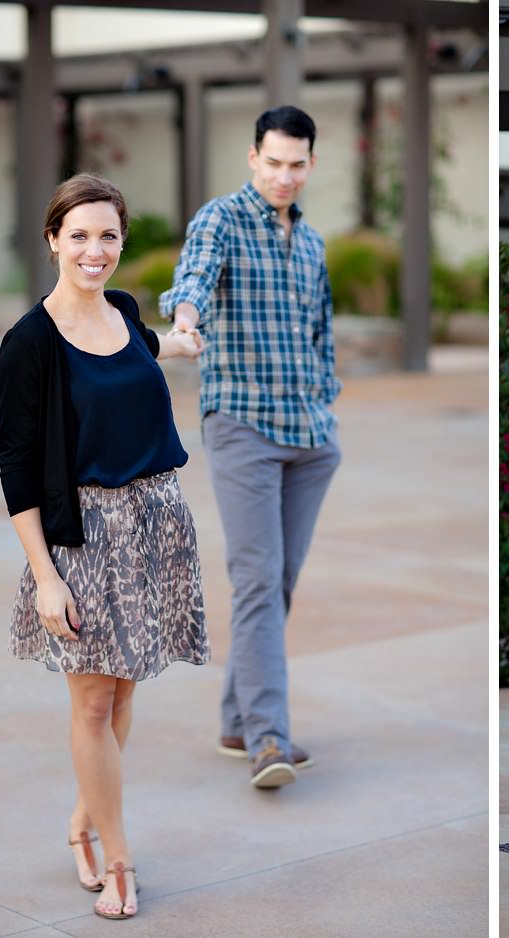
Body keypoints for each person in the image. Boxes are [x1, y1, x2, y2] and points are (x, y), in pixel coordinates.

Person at [0, 174, 207, 920]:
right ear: (53, 238)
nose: (95, 250)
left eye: (108, 236)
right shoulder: (29, 343)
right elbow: (16, 468)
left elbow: (141, 352)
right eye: (79, 235)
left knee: (122, 691)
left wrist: (178, 344)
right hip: (82, 538)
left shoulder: (122, 310)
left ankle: (84, 822)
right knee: (91, 703)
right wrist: (45, 576)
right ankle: (119, 861)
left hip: (153, 524)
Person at [160, 104, 341, 790]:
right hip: (243, 426)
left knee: (276, 583)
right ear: (252, 157)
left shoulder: (314, 242)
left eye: (297, 165)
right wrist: (184, 318)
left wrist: (327, 395)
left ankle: (237, 719)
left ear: (311, 165)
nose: (284, 176)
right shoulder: (221, 219)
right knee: (259, 580)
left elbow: (322, 327)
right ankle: (268, 737)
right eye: (273, 162)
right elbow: (196, 276)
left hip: (310, 437)